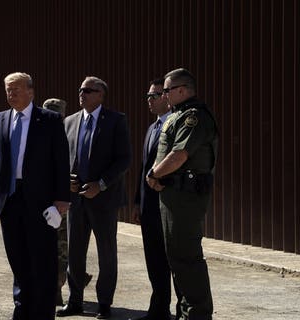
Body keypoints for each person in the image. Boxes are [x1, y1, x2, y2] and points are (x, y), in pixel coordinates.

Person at [0, 72, 70, 319]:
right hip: (9, 200)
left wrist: (62, 198)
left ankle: (42, 312)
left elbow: (61, 161)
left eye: (16, 89)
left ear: (31, 91)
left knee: (42, 259)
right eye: (8, 90)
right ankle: (23, 309)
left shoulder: (49, 120)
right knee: (17, 258)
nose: (12, 94)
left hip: (41, 202)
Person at [57, 76, 131, 319]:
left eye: (88, 90)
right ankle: (75, 301)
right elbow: (60, 158)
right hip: (75, 200)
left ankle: (104, 303)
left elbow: (123, 159)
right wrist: (64, 180)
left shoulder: (115, 121)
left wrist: (100, 184)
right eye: (80, 90)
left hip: (104, 200)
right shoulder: (69, 122)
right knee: (75, 253)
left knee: (106, 253)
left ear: (101, 94)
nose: (82, 94)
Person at [146, 68, 217, 320]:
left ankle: (197, 314)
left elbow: (179, 155)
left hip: (186, 197)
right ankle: (186, 311)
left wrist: (154, 175)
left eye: (166, 90)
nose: (163, 95)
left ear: (182, 90)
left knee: (186, 257)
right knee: (176, 256)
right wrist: (157, 177)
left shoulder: (193, 117)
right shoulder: (176, 115)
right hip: (172, 194)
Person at [132, 78, 181, 320]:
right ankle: (159, 309)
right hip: (149, 206)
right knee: (154, 260)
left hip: (169, 206)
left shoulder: (176, 125)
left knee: (176, 261)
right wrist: (137, 202)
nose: (150, 100)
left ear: (167, 97)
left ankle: (184, 311)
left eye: (155, 95)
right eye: (148, 96)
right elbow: (144, 168)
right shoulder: (152, 128)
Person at [42, 98, 93, 306]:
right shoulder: (44, 136)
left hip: (62, 203)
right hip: (46, 202)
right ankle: (55, 286)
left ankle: (56, 288)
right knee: (54, 248)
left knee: (61, 248)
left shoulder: (69, 135)